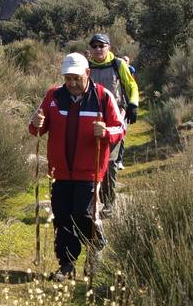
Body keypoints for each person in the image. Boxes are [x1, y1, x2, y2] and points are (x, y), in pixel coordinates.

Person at [28, 52, 124, 280]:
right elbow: (38, 129)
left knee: (83, 214)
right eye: (67, 78)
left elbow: (120, 129)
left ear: (87, 74)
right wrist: (35, 123)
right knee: (62, 217)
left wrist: (107, 132)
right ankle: (66, 265)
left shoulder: (102, 97)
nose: (71, 83)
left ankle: (96, 245)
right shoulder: (53, 96)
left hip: (89, 171)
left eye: (76, 78)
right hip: (59, 171)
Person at [86, 33, 139, 213]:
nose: (98, 49)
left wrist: (133, 104)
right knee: (89, 160)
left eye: (102, 46)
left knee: (109, 162)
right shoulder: (86, 67)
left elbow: (131, 86)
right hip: (90, 119)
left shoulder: (118, 64)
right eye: (94, 46)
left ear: (108, 47)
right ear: (90, 49)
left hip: (115, 118)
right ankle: (88, 200)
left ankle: (108, 204)